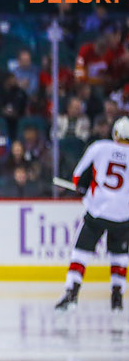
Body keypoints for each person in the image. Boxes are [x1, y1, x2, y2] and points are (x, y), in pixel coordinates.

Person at [55, 117, 129, 311]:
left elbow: (78, 177)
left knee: (81, 252)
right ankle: (117, 297)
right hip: (123, 215)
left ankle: (72, 292)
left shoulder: (100, 147)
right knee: (119, 256)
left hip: (97, 211)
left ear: (115, 134)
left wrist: (83, 187)